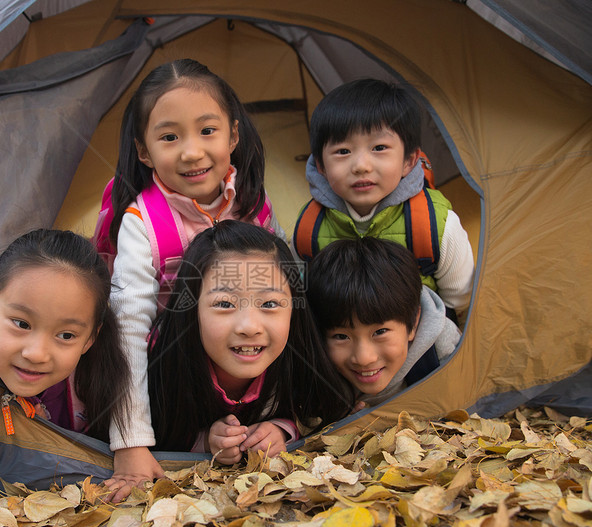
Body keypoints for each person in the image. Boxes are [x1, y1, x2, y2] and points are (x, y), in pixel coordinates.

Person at [98, 59, 284, 496]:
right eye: (169, 137)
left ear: (233, 135)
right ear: (144, 152)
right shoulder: (142, 223)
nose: (191, 151)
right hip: (171, 371)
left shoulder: (253, 205)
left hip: (241, 356)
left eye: (207, 131)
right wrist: (130, 444)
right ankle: (192, 438)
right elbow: (128, 329)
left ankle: (278, 423)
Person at [148, 221, 353, 463]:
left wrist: (282, 429)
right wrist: (205, 442)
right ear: (192, 311)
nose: (249, 327)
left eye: (269, 304)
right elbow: (157, 431)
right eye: (225, 304)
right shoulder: (160, 362)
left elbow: (318, 412)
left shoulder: (300, 356)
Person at [292, 78, 474, 317]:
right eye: (343, 151)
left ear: (409, 160)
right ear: (321, 166)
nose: (361, 166)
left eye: (379, 148)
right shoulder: (309, 226)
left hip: (421, 343)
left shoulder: (435, 224)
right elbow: (298, 295)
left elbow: (460, 301)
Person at [0, 229, 130, 442]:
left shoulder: (96, 384)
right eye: (22, 324)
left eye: (66, 336)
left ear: (90, 339)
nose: (36, 354)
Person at [307, 237, 462, 411]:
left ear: (414, 322)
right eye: (341, 336)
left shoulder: (443, 351)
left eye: (380, 332)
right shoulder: (312, 371)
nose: (364, 358)